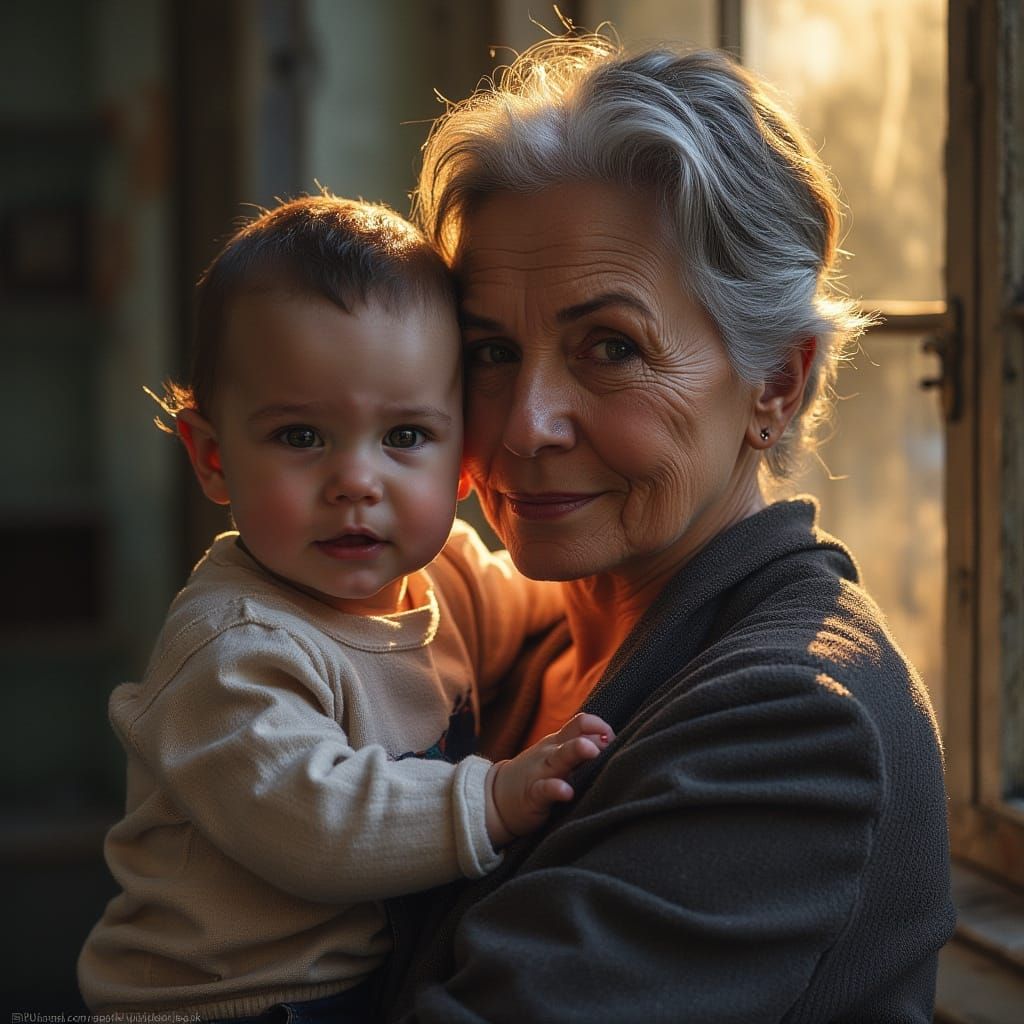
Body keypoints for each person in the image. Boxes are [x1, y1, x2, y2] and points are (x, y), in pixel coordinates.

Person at [384, 35, 956, 1022]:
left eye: (611, 346)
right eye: (489, 350)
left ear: (776, 382)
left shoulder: (795, 719)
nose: (524, 423)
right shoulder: (514, 639)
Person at [76, 194, 613, 1021]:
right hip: (226, 1002)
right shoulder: (234, 649)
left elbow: (569, 609)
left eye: (405, 438)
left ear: (462, 462)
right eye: (301, 437)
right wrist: (493, 798)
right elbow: (316, 823)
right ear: (214, 459)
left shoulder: (451, 584)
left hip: (360, 987)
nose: (356, 482)